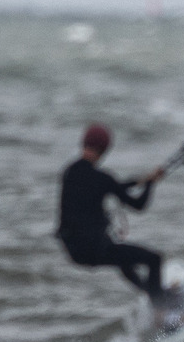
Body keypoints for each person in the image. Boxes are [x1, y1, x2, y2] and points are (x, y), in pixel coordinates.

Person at [56, 123, 166, 301]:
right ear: (105, 149)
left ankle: (151, 294)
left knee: (125, 262)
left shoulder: (69, 172)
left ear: (84, 143)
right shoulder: (102, 178)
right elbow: (138, 204)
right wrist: (151, 184)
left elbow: (112, 186)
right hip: (95, 249)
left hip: (73, 250)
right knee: (155, 259)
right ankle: (161, 310)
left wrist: (143, 180)